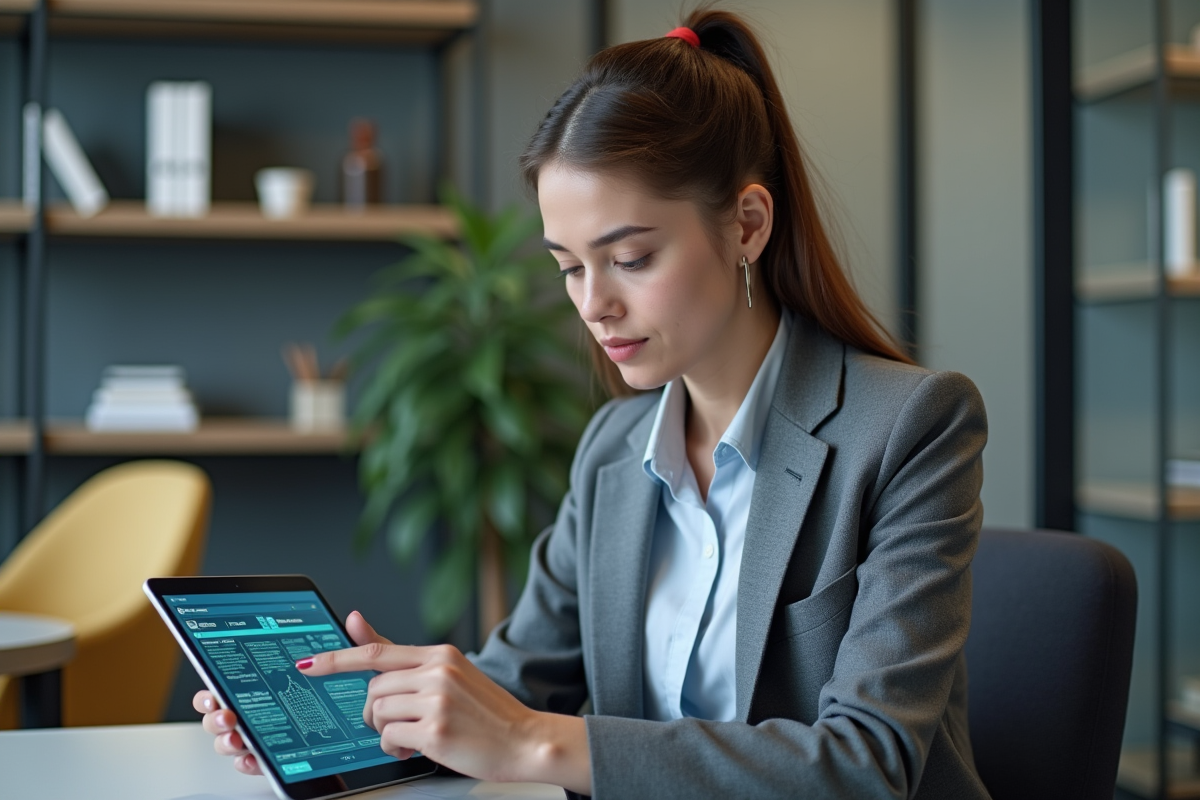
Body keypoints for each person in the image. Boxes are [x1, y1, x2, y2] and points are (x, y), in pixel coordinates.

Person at [196, 9, 990, 799]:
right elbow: (512, 688)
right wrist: (354, 714)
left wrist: (534, 743)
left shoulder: (910, 426)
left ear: (747, 224)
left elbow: (866, 765)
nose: (594, 304)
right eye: (569, 266)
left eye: (631, 258)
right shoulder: (615, 446)